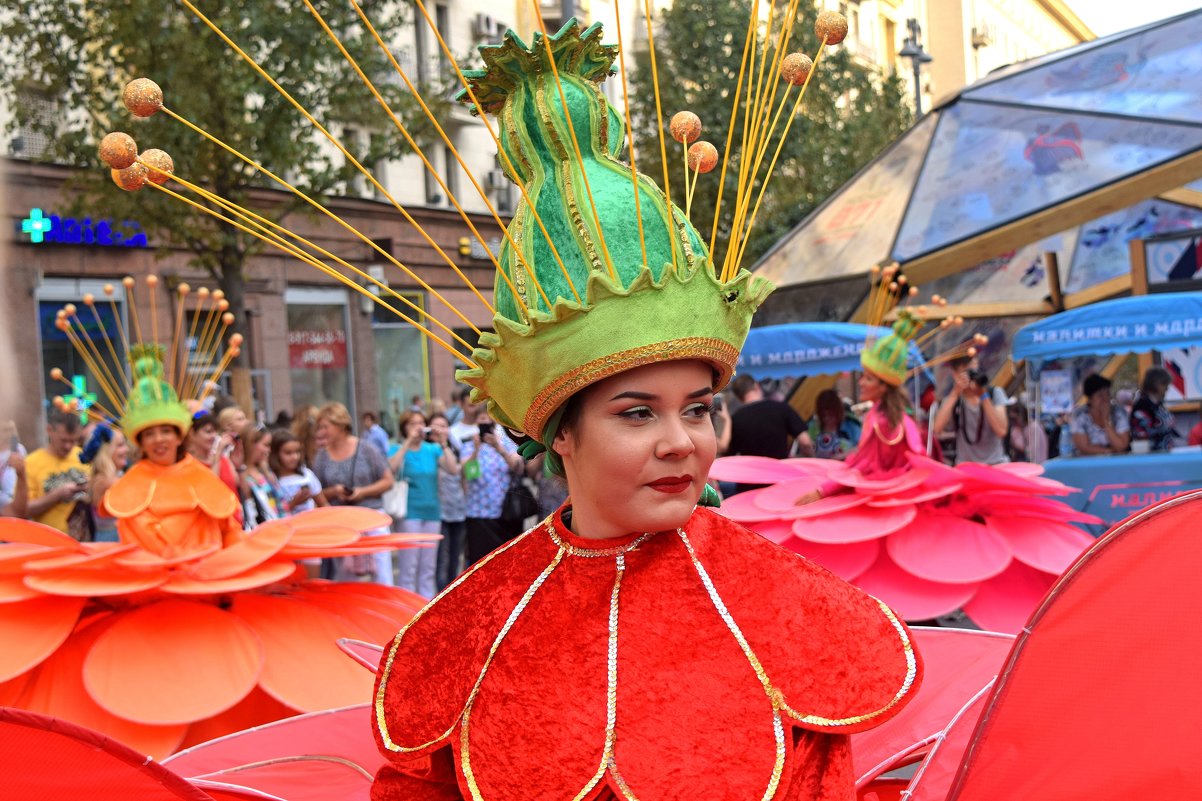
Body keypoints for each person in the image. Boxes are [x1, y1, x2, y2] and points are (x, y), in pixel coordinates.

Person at [372, 21, 919, 800]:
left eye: (697, 409)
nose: (680, 443)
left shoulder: (786, 611)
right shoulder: (473, 627)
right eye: (636, 413)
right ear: (559, 430)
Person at [313, 401, 395, 583]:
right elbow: (316, 493)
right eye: (320, 427)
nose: (322, 431)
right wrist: (334, 491)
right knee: (345, 576)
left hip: (372, 518)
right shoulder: (321, 457)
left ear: (340, 424)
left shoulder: (366, 449)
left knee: (382, 574)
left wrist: (362, 492)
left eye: (325, 426)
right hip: (341, 522)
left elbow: (388, 480)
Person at [389, 411, 453, 598]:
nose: (417, 427)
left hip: (432, 512)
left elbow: (452, 468)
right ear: (404, 428)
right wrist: (408, 442)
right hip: (409, 513)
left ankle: (424, 608)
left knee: (428, 567)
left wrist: (443, 442)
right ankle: (405, 610)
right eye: (412, 424)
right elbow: (390, 469)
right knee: (409, 566)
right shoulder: (397, 448)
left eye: (420, 423)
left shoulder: (432, 449)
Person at [460, 411, 524, 565]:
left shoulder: (507, 443)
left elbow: (518, 468)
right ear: (476, 423)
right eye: (482, 420)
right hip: (479, 513)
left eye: (489, 419)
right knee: (480, 562)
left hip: (505, 512)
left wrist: (498, 447)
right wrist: (476, 450)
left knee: (505, 562)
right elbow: (469, 474)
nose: (486, 422)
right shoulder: (469, 446)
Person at [930, 356, 1009, 465]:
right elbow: (936, 429)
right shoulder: (953, 400)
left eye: (975, 371)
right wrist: (955, 393)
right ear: (955, 374)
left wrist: (983, 395)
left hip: (996, 463)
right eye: (968, 372)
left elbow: (1001, 430)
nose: (973, 376)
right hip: (966, 466)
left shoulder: (994, 393)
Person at [24, 408, 90, 534]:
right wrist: (56, 495)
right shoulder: (31, 462)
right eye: (63, 440)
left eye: (73, 440)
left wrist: (91, 487)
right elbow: (24, 510)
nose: (68, 446)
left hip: (84, 540)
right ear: (49, 430)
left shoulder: (84, 456)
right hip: (48, 540)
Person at [725, 373, 810, 459]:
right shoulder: (781, 408)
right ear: (756, 386)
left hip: (751, 470)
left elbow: (730, 453)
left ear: (738, 396)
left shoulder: (735, 418)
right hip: (779, 469)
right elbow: (805, 443)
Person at [428, 412, 466, 590]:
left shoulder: (452, 447)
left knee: (454, 557)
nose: (440, 430)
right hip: (439, 512)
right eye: (436, 426)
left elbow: (454, 470)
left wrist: (444, 443)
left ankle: (451, 593)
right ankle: (440, 595)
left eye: (443, 426)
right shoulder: (427, 450)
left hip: (457, 508)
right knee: (440, 559)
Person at [81, 424, 128, 542]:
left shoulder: (102, 478)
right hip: (112, 543)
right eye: (120, 445)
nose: (126, 449)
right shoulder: (107, 482)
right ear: (106, 451)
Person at [1071, 374, 1130, 456]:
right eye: (1100, 396)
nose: (1105, 399)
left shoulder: (1119, 412)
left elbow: (1121, 445)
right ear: (1090, 399)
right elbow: (1083, 447)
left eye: (1108, 394)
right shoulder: (1079, 415)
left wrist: (1106, 420)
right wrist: (1110, 451)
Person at [185, 410, 240, 496]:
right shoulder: (188, 462)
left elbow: (237, 483)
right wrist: (218, 454)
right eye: (208, 431)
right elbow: (210, 488)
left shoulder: (223, 458)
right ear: (192, 433)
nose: (214, 436)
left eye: (215, 431)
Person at [240, 423, 283, 527]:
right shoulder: (242, 475)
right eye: (266, 445)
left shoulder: (264, 470)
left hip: (279, 527)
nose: (269, 450)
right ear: (250, 444)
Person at [1129, 366, 1177, 452]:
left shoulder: (1158, 405)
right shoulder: (1142, 408)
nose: (1167, 388)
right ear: (1156, 384)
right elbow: (1141, 436)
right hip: (1154, 457)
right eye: (1165, 384)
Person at [807, 389, 861, 460]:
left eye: (831, 415)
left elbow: (862, 447)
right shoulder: (812, 427)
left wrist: (842, 455)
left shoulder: (851, 425)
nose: (827, 418)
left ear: (838, 412)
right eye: (823, 415)